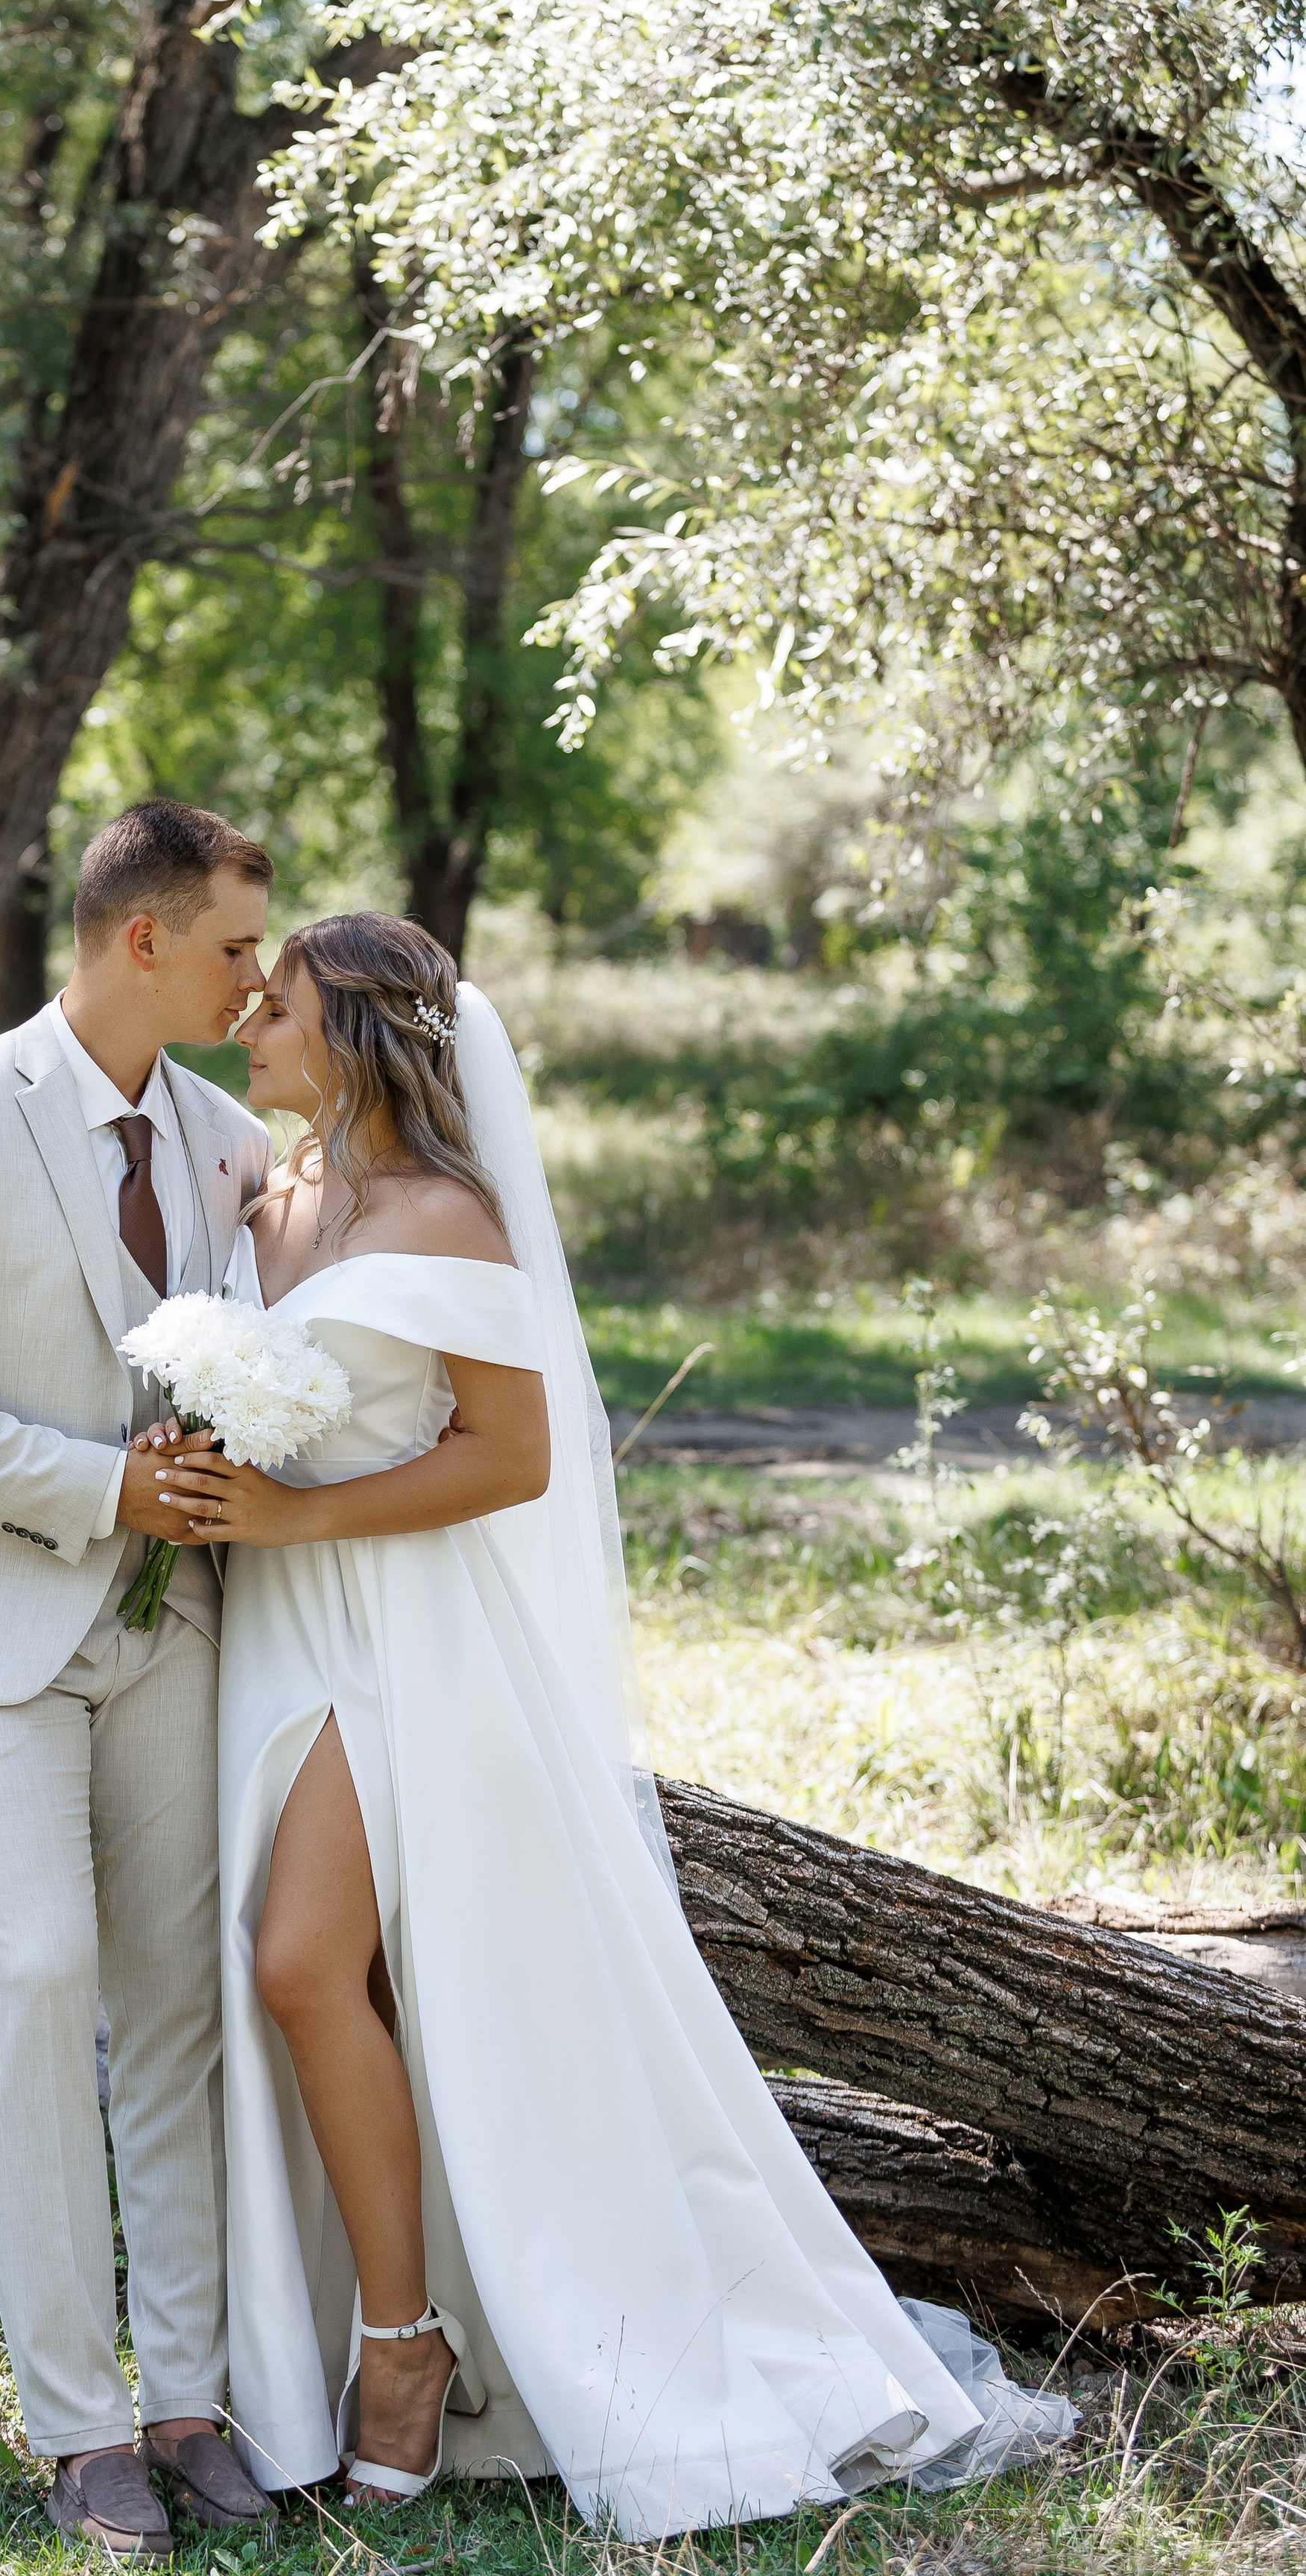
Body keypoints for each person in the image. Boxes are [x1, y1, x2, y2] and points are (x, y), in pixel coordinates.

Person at [143, 913, 1076, 2535]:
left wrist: (292, 1519)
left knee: (300, 1962)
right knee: (327, 1976)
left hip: (406, 1633)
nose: (248, 1027)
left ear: (360, 1032)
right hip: (274, 1638)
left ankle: (404, 2348)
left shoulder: (447, 1218)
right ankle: (374, 2325)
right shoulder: (267, 1190)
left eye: (277, 1007)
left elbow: (511, 1457)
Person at [0, 800, 280, 2558]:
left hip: (171, 1626)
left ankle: (190, 2397)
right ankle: (76, 2426)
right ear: (140, 940)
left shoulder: (231, 1141)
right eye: (237, 944)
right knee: (36, 1978)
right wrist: (102, 1486)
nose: (257, 976)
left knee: (175, 2003)